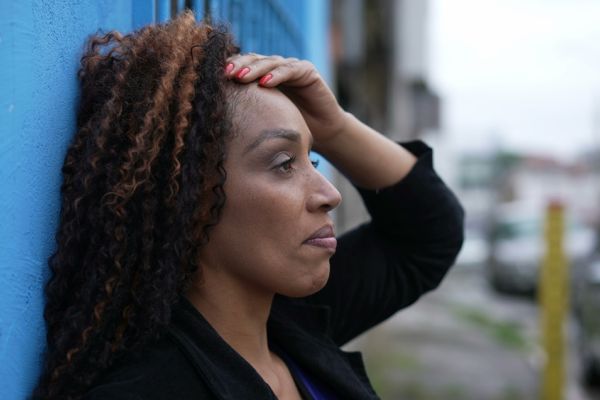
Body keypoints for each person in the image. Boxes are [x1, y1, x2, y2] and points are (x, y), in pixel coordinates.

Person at [33, 11, 464, 400]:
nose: (329, 194)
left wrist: (334, 127)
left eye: (313, 159)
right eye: (284, 164)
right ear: (193, 198)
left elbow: (429, 236)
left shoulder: (294, 328)